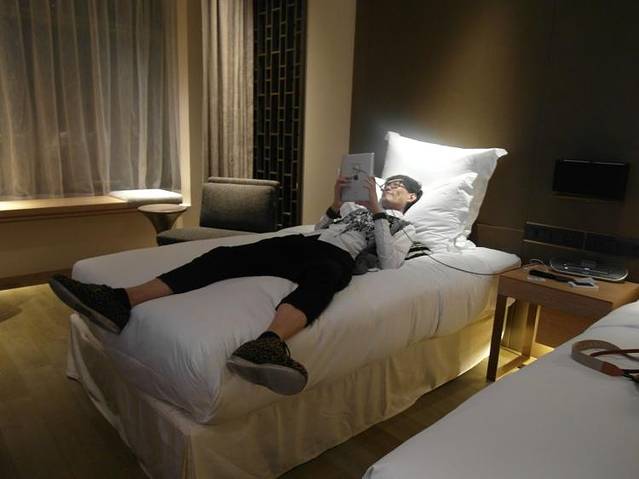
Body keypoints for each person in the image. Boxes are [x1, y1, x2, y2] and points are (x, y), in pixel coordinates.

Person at [49, 174, 423, 395]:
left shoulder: (404, 226)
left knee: (322, 281)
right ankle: (120, 299)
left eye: (398, 186)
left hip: (337, 258)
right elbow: (319, 229)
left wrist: (378, 211)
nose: (390, 186)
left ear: (412, 198)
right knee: (225, 256)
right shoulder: (355, 209)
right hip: (305, 243)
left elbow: (391, 263)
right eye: (387, 183)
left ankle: (268, 344)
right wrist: (336, 203)